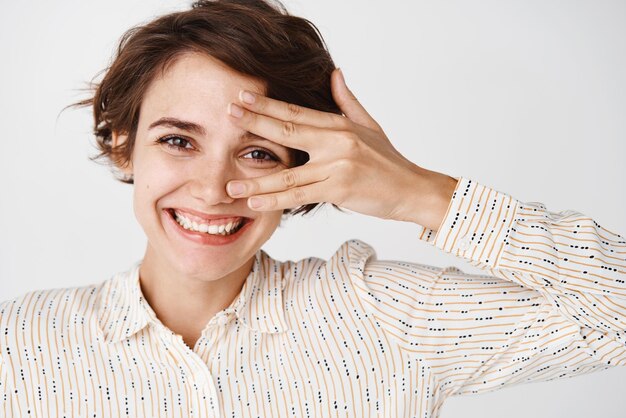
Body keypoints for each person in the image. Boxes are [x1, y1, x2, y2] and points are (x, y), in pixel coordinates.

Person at [1, 0, 624, 417]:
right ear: (122, 144)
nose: (215, 187)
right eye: (178, 140)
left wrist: (416, 191)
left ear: (305, 173)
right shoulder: (20, 344)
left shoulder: (376, 317)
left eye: (259, 154)